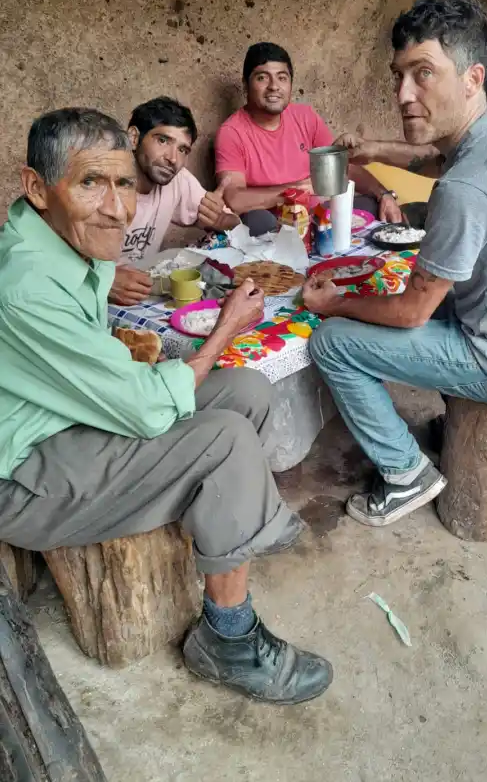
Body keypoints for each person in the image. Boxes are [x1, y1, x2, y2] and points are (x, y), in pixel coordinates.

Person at [0, 108, 332, 705]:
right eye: (90, 183)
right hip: (26, 473)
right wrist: (223, 330)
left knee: (248, 390)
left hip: (71, 421)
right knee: (225, 441)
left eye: (124, 184)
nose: (117, 208)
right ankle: (228, 638)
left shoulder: (58, 246)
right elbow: (147, 407)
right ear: (36, 187)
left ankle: (218, 527)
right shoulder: (25, 284)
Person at [303, 0, 487, 528]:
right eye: (399, 75)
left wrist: (335, 302)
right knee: (417, 291)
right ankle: (447, 419)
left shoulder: (464, 190)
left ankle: (404, 471)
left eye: (424, 73)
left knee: (333, 342)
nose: (403, 93)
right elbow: (438, 156)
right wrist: (375, 150)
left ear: (472, 78)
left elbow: (410, 313)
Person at [214, 42, 404, 235]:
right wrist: (295, 191)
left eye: (282, 78)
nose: (274, 87)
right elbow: (234, 199)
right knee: (256, 220)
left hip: (317, 217)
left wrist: (384, 194)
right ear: (245, 85)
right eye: (262, 77)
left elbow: (342, 169)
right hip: (276, 227)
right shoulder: (232, 132)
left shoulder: (305, 117)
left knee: (370, 205)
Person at [112, 97, 240, 306]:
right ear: (133, 138)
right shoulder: (102, 185)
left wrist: (220, 220)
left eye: (182, 150)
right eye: (163, 141)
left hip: (144, 295)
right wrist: (105, 280)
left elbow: (234, 224)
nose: (172, 158)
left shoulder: (177, 181)